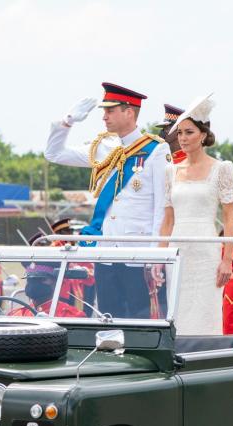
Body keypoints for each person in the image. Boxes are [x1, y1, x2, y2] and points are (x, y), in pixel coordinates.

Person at [44, 82, 169, 319]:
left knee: (140, 319)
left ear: (129, 112)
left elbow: (161, 208)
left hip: (138, 253)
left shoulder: (156, 150)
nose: (104, 117)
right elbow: (54, 153)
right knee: (108, 318)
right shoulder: (104, 147)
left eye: (110, 111)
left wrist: (156, 255)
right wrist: (67, 121)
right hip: (106, 251)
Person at [158, 94, 233, 335]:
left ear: (203, 135)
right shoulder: (170, 171)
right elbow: (168, 220)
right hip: (178, 248)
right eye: (179, 133)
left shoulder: (222, 168)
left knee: (206, 309)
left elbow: (229, 217)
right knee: (177, 310)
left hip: (206, 248)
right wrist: (160, 257)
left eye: (189, 132)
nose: (182, 138)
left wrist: (226, 259)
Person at [8, 263, 85, 318]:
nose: (34, 283)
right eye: (30, 279)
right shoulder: (17, 315)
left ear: (56, 282)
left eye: (41, 279)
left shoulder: (71, 316)